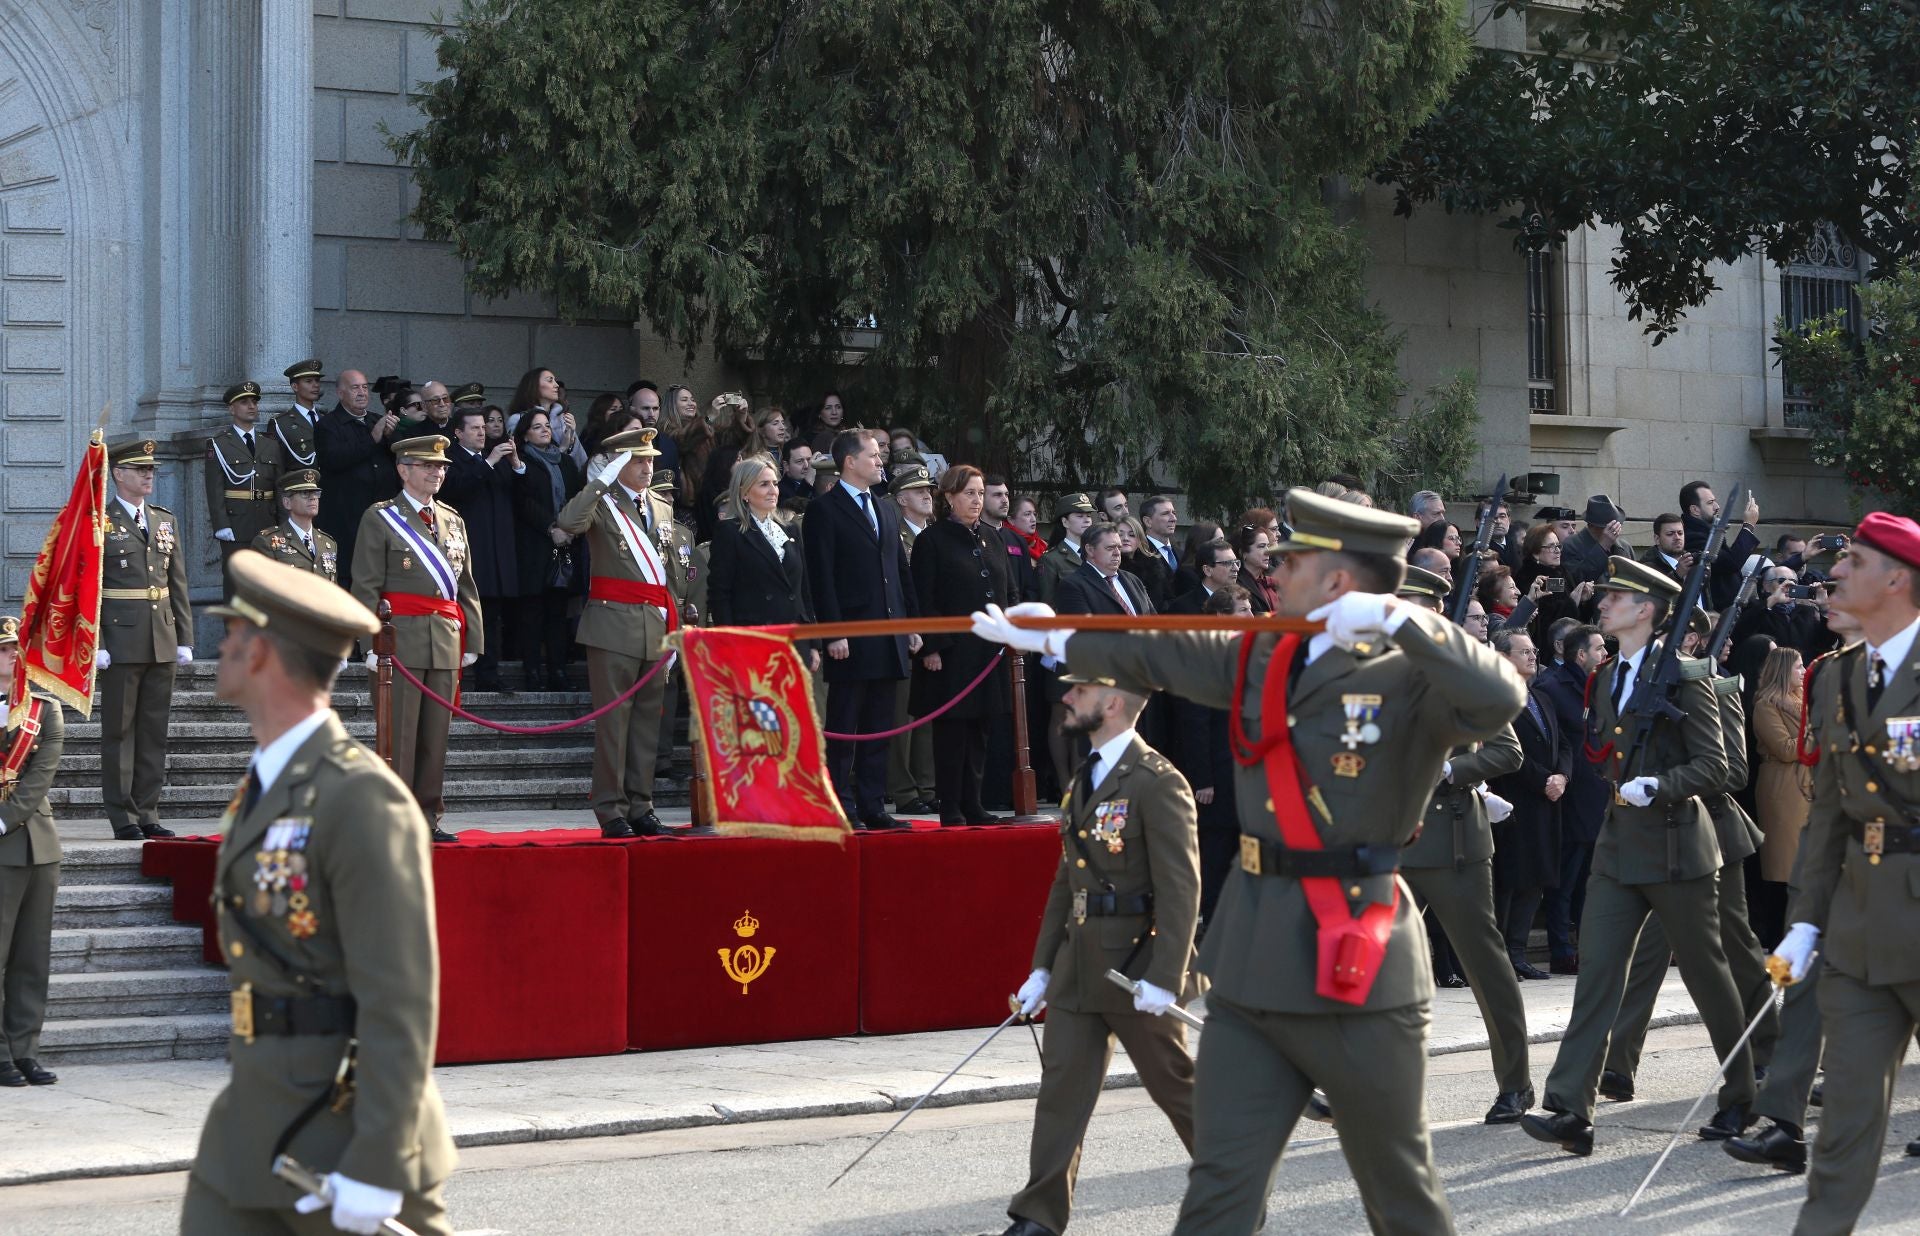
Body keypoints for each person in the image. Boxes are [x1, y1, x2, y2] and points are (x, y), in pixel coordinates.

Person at [972, 488, 1527, 1234]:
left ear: (1336, 580)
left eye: (1293, 559)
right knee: (1220, 1191)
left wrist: (1407, 620)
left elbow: (1499, 698)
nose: (1275, 566)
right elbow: (1163, 651)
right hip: (1253, 961)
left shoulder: (1409, 674)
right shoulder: (1264, 655)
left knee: (1400, 1191)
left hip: (1353, 964)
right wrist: (1057, 638)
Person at [183, 551, 455, 1236]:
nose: (220, 647)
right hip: (253, 1121)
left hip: (341, 1126)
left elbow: (400, 997)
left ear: (262, 654)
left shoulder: (359, 796)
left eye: (233, 633)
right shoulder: (270, 780)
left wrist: (378, 1161)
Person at [1522, 556, 1757, 1156]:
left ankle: (1744, 1095)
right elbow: (1608, 747)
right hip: (1618, 846)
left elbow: (1719, 764)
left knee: (1709, 977)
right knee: (1596, 975)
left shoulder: (1685, 675)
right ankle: (1572, 1107)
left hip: (1678, 844)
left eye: (1615, 598)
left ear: (1646, 610)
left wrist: (1663, 784)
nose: (1602, 605)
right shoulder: (1605, 678)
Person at [1001, 669, 1199, 1236]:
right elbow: (1068, 879)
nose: (1066, 698)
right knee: (1062, 1088)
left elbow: (1181, 886)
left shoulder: (1157, 780)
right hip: (1079, 964)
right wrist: (1042, 967)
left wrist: (1168, 975)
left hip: (1135, 967)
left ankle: (1233, 1189)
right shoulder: (1085, 776)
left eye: (1079, 692)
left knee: (1176, 1088)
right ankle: (1039, 1215)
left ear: (1112, 704)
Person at [1766, 511, 1920, 1231]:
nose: (1834, 573)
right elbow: (1830, 815)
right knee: (1845, 1128)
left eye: (1852, 561)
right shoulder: (1835, 680)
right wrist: (1804, 919)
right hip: (1859, 928)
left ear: (1895, 579)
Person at [1600, 609, 1777, 1102]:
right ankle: (1618, 1064)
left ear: (1692, 638)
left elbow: (1734, 770)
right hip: (1657, 838)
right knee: (1647, 954)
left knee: (1736, 949)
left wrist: (1673, 779)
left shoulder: (1714, 687)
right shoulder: (1632, 687)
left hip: (1711, 834)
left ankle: (1769, 1048)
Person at [1389, 567, 1535, 1119]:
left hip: (1452, 843)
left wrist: (1451, 770)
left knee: (1484, 964)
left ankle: (1515, 1083)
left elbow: (1508, 752)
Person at [558, 428, 695, 838]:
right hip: (612, 625)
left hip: (655, 625)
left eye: (650, 460)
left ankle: (641, 804)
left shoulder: (660, 505)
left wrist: (676, 622)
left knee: (647, 725)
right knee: (614, 725)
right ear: (618, 463)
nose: (647, 467)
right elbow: (568, 522)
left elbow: (667, 573)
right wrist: (600, 481)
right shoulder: (602, 502)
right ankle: (611, 808)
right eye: (638, 460)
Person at [349, 436, 483, 843]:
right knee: (399, 736)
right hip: (399, 640)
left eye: (441, 466)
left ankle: (428, 816)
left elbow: (466, 586)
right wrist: (371, 642)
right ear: (403, 470)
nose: (436, 472)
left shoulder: (452, 519)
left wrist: (473, 637)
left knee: (434, 737)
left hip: (443, 637)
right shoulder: (381, 517)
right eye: (427, 465)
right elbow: (366, 585)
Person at [802, 429, 922, 830]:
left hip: (888, 632)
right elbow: (822, 577)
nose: (880, 461)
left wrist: (911, 626)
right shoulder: (825, 509)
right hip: (851, 636)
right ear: (849, 461)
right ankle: (839, 802)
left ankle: (872, 803)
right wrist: (833, 632)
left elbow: (899, 572)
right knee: (845, 724)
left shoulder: (886, 509)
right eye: (872, 455)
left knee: (879, 724)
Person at [97, 438, 191, 841]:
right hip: (120, 637)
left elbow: (177, 583)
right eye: (140, 469)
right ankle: (123, 816)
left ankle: (148, 810)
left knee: (154, 729)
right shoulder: (99, 521)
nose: (148, 475)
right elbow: (91, 587)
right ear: (118, 474)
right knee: (120, 730)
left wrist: (184, 636)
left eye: (151, 470)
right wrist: (96, 642)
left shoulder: (163, 520)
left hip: (162, 636)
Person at [909, 465, 1012, 826]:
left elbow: (1006, 591)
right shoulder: (932, 540)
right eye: (970, 493)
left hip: (989, 650)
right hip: (952, 653)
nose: (977, 500)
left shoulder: (993, 536)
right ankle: (950, 804)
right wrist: (932, 647)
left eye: (981, 493)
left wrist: (1013, 631)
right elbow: (925, 598)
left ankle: (974, 801)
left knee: (981, 728)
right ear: (950, 496)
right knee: (953, 731)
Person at [0, 615, 64, 1089]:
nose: (9, 657)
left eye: (14, 649)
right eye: (2, 649)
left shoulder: (45, 710)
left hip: (35, 843)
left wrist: (3, 819)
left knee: (31, 958)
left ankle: (25, 1051)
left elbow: (40, 775)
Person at [1486, 628, 1570, 981]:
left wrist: (1562, 777)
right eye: (1524, 651)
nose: (1533, 656)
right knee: (1510, 879)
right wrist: (1543, 780)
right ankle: (1502, 954)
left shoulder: (1542, 698)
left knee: (1536, 879)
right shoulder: (1496, 700)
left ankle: (1519, 952)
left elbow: (1564, 745)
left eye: (1534, 650)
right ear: (1503, 657)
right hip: (1516, 802)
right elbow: (1507, 752)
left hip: (1547, 803)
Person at [1171, 584, 1250, 931]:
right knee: (1217, 859)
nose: (1251, 616)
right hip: (1218, 778)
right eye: (1242, 611)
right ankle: (1216, 931)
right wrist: (1203, 779)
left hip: (1247, 776)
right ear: (1221, 617)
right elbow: (1196, 722)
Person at [1534, 623, 1610, 973]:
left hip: (1596, 793)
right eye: (1598, 649)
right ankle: (1562, 949)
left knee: (1589, 880)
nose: (1604, 655)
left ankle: (1588, 945)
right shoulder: (1552, 686)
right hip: (1570, 795)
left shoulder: (1597, 684)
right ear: (1580, 655)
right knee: (1565, 879)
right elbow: (1554, 743)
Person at [440, 407, 523, 694]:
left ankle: (490, 675)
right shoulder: (453, 460)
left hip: (497, 549)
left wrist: (515, 463)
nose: (481, 432)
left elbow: (520, 494)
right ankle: (457, 674)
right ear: (459, 433)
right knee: (466, 614)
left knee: (492, 614)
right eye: (474, 428)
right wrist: (488, 462)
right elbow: (457, 489)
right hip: (469, 549)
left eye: (482, 428)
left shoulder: (497, 459)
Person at [509, 407, 586, 693]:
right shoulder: (522, 460)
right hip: (534, 545)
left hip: (564, 546)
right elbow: (523, 500)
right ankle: (532, 672)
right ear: (525, 433)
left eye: (547, 426)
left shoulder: (564, 461)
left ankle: (558, 671)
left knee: (557, 613)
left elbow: (577, 496)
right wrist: (550, 527)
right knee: (532, 613)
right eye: (537, 426)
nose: (545, 430)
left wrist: (568, 527)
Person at [707, 454, 817, 638]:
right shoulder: (729, 532)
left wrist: (813, 643)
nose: (773, 490)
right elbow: (720, 594)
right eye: (764, 484)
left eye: (775, 483)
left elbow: (803, 590)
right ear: (744, 492)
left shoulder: (791, 530)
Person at [885, 463, 940, 816]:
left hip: (933, 636)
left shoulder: (934, 535)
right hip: (905, 634)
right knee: (901, 719)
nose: (927, 495)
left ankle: (927, 785)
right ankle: (903, 790)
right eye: (918, 491)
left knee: (927, 716)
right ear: (901, 498)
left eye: (929, 490)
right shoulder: (894, 535)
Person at [316, 370, 401, 591]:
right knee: (350, 578)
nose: (362, 392)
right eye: (355, 388)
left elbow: (399, 459)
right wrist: (372, 438)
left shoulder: (375, 419)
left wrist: (392, 436)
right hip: (347, 518)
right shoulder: (328, 425)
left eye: (364, 387)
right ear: (340, 393)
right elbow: (335, 460)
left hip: (382, 514)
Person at [1749, 646, 1811, 942]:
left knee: (1803, 864)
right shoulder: (1765, 703)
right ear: (1785, 670)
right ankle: (1776, 934)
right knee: (1783, 865)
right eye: (1799, 666)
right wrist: (1819, 735)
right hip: (1782, 787)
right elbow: (1785, 749)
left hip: (1806, 785)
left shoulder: (1803, 700)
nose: (1804, 670)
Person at [205, 380, 283, 597]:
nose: (251, 406)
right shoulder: (219, 444)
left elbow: (280, 487)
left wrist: (284, 524)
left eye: (254, 402)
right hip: (236, 525)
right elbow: (214, 488)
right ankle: (235, 631)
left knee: (268, 585)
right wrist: (221, 524)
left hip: (267, 523)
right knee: (236, 585)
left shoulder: (270, 444)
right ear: (232, 408)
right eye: (244, 402)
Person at [1680, 480, 1763, 611]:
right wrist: (1748, 526)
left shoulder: (1707, 532)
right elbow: (1731, 562)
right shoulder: (1692, 536)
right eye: (1710, 503)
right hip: (1718, 616)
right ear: (1695, 510)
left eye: (1715, 501)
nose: (1717, 507)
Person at [250, 469, 338, 581]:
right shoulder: (267, 542)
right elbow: (262, 591)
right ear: (287, 502)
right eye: (305, 493)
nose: (313, 498)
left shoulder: (328, 543)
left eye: (316, 493)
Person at [1561, 495, 1632, 587]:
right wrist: (1602, 546)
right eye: (1610, 527)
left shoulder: (1624, 547)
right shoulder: (1571, 545)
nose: (1615, 530)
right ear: (1593, 526)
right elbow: (1574, 581)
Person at [268, 358, 325, 471]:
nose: (316, 385)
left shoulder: (326, 420)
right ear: (295, 387)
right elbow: (277, 465)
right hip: (299, 485)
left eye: (317, 380)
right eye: (309, 381)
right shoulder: (281, 423)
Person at [1037, 493, 1094, 605]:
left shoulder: (1096, 553)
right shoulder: (1050, 560)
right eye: (1080, 516)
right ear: (1065, 522)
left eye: (1088, 515)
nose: (1087, 520)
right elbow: (1048, 603)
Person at [1232, 523, 1277, 613]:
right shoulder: (1237, 584)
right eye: (1261, 546)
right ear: (1244, 553)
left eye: (1268, 546)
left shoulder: (1274, 575)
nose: (1268, 551)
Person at [1639, 512, 1695, 581]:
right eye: (1670, 534)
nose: (1677, 537)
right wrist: (1677, 575)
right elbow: (1657, 591)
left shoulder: (1692, 561)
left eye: (1680, 533)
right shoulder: (1646, 568)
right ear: (1657, 539)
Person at [807, 390, 847, 455]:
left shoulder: (848, 434)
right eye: (828, 408)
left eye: (838, 407)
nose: (834, 412)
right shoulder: (821, 438)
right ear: (819, 413)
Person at [778, 440, 816, 508]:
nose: (807, 466)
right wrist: (807, 483)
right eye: (799, 461)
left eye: (809, 460)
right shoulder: (780, 491)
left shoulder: (819, 482)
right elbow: (795, 511)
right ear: (786, 466)